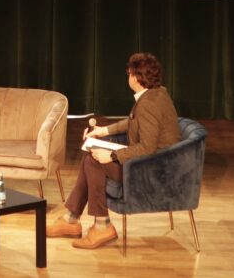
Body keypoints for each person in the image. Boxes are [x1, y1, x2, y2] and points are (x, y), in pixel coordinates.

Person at [47, 52, 181, 249]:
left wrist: (111, 155)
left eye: (129, 73)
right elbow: (134, 122)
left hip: (151, 171)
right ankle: (71, 219)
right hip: (151, 163)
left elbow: (147, 147)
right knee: (92, 153)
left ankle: (100, 226)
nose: (128, 76)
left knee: (94, 161)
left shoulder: (149, 104)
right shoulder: (156, 94)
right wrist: (103, 131)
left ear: (136, 77)